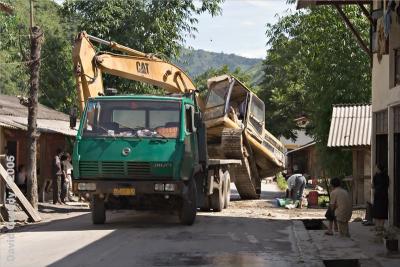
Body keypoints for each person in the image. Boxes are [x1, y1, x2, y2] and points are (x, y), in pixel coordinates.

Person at [372, 163, 389, 234]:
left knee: (377, 209)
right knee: (383, 209)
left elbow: (373, 186)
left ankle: (377, 226)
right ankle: (381, 226)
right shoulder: (386, 176)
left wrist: (375, 189)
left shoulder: (375, 176)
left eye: (376, 167)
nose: (375, 168)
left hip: (378, 194)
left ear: (378, 168)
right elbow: (387, 185)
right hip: (384, 194)